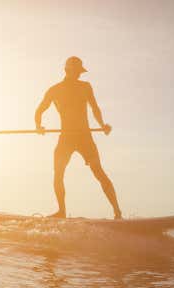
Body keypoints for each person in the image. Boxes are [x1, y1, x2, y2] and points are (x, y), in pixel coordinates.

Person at [35, 56, 122, 219]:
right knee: (58, 174)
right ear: (68, 70)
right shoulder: (55, 90)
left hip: (85, 138)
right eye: (77, 72)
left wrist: (102, 124)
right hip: (66, 138)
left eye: (80, 72)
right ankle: (61, 211)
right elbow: (39, 110)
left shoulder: (86, 87)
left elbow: (95, 108)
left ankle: (117, 212)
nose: (79, 75)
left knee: (99, 173)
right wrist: (38, 126)